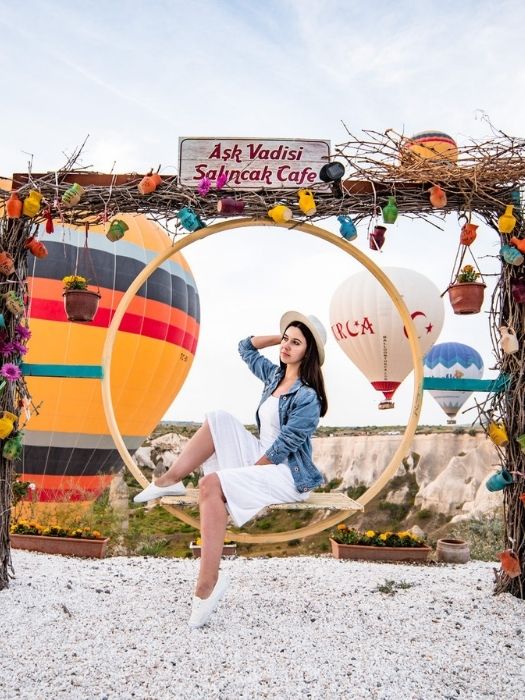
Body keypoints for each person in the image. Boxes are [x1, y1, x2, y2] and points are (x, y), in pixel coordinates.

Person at [133, 311, 328, 628]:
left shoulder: (308, 397)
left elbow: (285, 445)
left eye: (296, 343)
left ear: (309, 352)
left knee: (211, 484)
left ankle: (207, 585)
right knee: (218, 418)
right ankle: (170, 480)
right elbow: (245, 348)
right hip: (261, 457)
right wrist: (278, 337)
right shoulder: (274, 377)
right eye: (286, 339)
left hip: (286, 472)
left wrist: (251, 470)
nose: (287, 346)